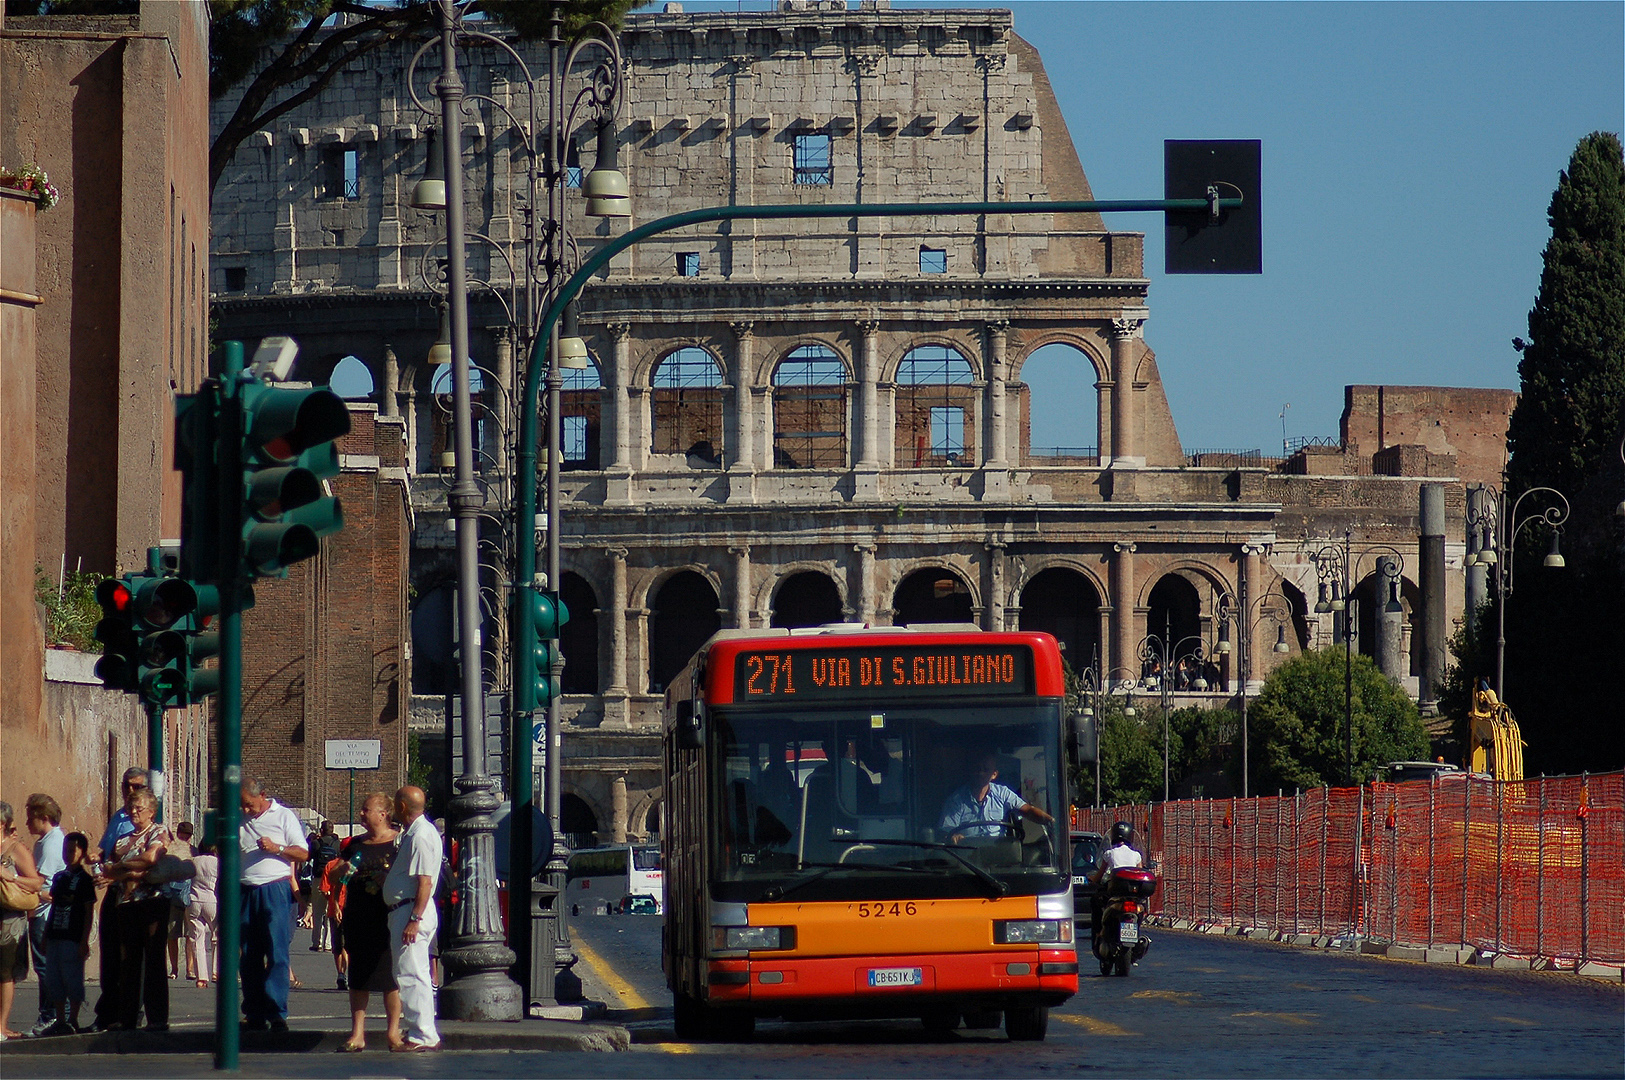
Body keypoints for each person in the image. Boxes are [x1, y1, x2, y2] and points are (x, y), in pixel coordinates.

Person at [238, 778, 308, 1033]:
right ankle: (254, 1011)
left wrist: (276, 848)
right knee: (249, 954)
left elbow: (303, 853)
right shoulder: (238, 819)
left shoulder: (284, 816)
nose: (246, 811)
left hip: (274, 888)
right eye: (242, 806)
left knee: (276, 951)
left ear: (263, 795)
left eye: (250, 805)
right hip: (245, 889)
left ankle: (277, 1011)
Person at [334, 793, 402, 1053]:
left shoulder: (398, 842)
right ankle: (357, 1034)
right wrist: (342, 869)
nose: (361, 814)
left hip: (388, 916)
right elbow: (338, 868)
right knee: (359, 974)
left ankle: (393, 1032)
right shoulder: (356, 843)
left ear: (383, 815)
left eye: (366, 810)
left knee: (390, 976)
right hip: (359, 914)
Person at [99, 787, 171, 1031]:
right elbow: (108, 868)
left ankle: (157, 1018)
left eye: (138, 808)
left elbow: (152, 858)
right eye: (130, 808)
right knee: (128, 960)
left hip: (152, 902)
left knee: (153, 959)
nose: (133, 812)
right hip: (125, 903)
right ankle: (127, 1016)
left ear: (151, 811)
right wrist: (129, 868)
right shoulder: (122, 839)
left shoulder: (159, 831)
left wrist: (121, 867)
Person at [382, 786, 440, 1052]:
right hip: (406, 910)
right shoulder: (414, 833)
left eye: (396, 804)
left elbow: (424, 882)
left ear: (403, 807)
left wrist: (414, 919)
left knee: (412, 974)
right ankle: (421, 1030)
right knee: (411, 972)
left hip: (411, 911)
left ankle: (422, 1034)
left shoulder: (420, 836)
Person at [88, 767, 147, 1031]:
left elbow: (143, 862)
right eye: (127, 786)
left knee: (129, 957)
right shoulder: (119, 817)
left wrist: (113, 876)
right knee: (110, 955)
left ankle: (129, 1012)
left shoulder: (148, 825)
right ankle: (108, 1011)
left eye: (137, 787)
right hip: (113, 893)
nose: (131, 792)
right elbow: (108, 852)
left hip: (133, 893)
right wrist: (96, 860)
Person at [40, 832, 96, 1036]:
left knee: (72, 978)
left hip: (73, 936)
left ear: (82, 853)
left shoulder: (85, 880)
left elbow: (88, 912)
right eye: (66, 850)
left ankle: (73, 1018)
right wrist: (46, 935)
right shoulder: (59, 878)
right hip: (55, 933)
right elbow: (54, 907)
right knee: (54, 979)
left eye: (73, 850)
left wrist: (84, 940)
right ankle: (60, 1019)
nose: (68, 854)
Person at [0, 800, 46, 1040]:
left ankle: (1, 1025)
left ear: (2, 823)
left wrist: (10, 878)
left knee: (5, 971)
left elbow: (37, 883)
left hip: (9, 917)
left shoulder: (15, 849)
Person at [937, 751, 1054, 844]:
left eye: (985, 769)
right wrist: (954, 836)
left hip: (998, 854)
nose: (981, 773)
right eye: (977, 769)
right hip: (967, 856)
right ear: (971, 771)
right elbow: (945, 831)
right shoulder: (956, 800)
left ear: (994, 774)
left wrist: (1051, 821)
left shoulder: (1003, 793)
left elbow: (1027, 810)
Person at [24, 794, 66, 1036]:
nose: (28, 823)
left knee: (45, 966)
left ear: (45, 818)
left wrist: (14, 880)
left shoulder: (51, 844)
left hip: (45, 913)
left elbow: (39, 882)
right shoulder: (44, 841)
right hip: (40, 911)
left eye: (32, 818)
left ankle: (50, 1016)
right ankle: (54, 1014)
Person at [1087, 820, 1145, 948]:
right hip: (1132, 893)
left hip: (1114, 891)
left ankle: (1099, 932)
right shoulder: (1136, 855)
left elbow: (1099, 876)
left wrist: (1092, 879)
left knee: (1096, 901)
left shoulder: (1109, 853)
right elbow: (1140, 872)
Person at [185, 840, 219, 989]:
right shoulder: (218, 863)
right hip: (212, 900)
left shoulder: (193, 861)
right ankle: (216, 972)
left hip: (193, 900)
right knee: (217, 936)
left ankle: (201, 977)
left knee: (197, 938)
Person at [165, 822, 196, 980]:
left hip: (190, 896)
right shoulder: (171, 852)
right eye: (181, 835)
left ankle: (190, 969)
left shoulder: (195, 852)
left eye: (187, 836)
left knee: (190, 934)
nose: (184, 838)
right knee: (172, 934)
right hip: (172, 896)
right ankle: (174, 968)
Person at [308, 821, 341, 952]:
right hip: (332, 879)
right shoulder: (337, 844)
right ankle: (328, 944)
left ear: (321, 830)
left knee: (317, 912)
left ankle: (317, 942)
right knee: (329, 912)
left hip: (318, 878)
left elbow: (309, 857)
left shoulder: (316, 843)